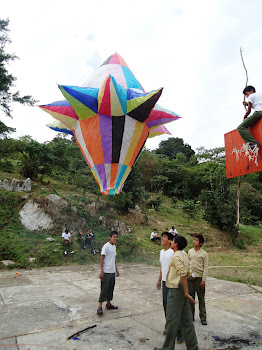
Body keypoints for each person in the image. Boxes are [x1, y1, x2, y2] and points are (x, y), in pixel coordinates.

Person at [154, 235, 198, 350]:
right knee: (187, 322)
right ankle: (193, 347)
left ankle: (167, 348)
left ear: (176, 244)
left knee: (171, 322)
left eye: (173, 241)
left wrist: (186, 292)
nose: (171, 242)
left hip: (175, 291)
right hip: (181, 289)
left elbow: (182, 273)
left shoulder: (175, 256)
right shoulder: (184, 254)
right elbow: (188, 271)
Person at [157, 231, 184, 342]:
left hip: (172, 284)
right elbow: (162, 267)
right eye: (162, 237)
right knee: (166, 306)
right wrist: (159, 280)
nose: (162, 239)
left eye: (164, 237)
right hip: (164, 282)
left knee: (174, 308)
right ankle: (169, 327)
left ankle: (179, 333)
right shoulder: (161, 252)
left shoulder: (173, 252)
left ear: (170, 241)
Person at [97, 231, 120, 316]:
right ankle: (99, 307)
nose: (116, 238)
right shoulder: (106, 246)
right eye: (114, 237)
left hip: (112, 271)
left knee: (111, 288)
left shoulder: (114, 247)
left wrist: (117, 270)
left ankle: (108, 304)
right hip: (106, 272)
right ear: (110, 237)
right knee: (104, 289)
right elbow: (102, 259)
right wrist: (102, 271)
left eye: (117, 237)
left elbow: (113, 260)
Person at [187, 234, 208, 325]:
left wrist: (203, 280)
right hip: (190, 278)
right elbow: (188, 263)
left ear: (200, 243)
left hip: (199, 279)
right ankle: (190, 316)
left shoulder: (204, 254)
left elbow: (206, 267)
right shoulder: (190, 251)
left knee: (201, 298)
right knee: (190, 298)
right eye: (193, 240)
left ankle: (203, 317)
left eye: (196, 240)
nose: (194, 241)